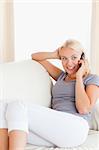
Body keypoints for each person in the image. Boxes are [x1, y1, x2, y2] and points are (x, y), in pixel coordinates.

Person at [0, 39, 99, 150]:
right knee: (3, 106)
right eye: (64, 58)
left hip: (76, 128)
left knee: (18, 105)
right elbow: (35, 57)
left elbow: (84, 109)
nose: (69, 63)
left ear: (82, 59)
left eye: (74, 58)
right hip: (56, 129)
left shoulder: (92, 79)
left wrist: (79, 76)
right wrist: (55, 54)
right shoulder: (61, 76)